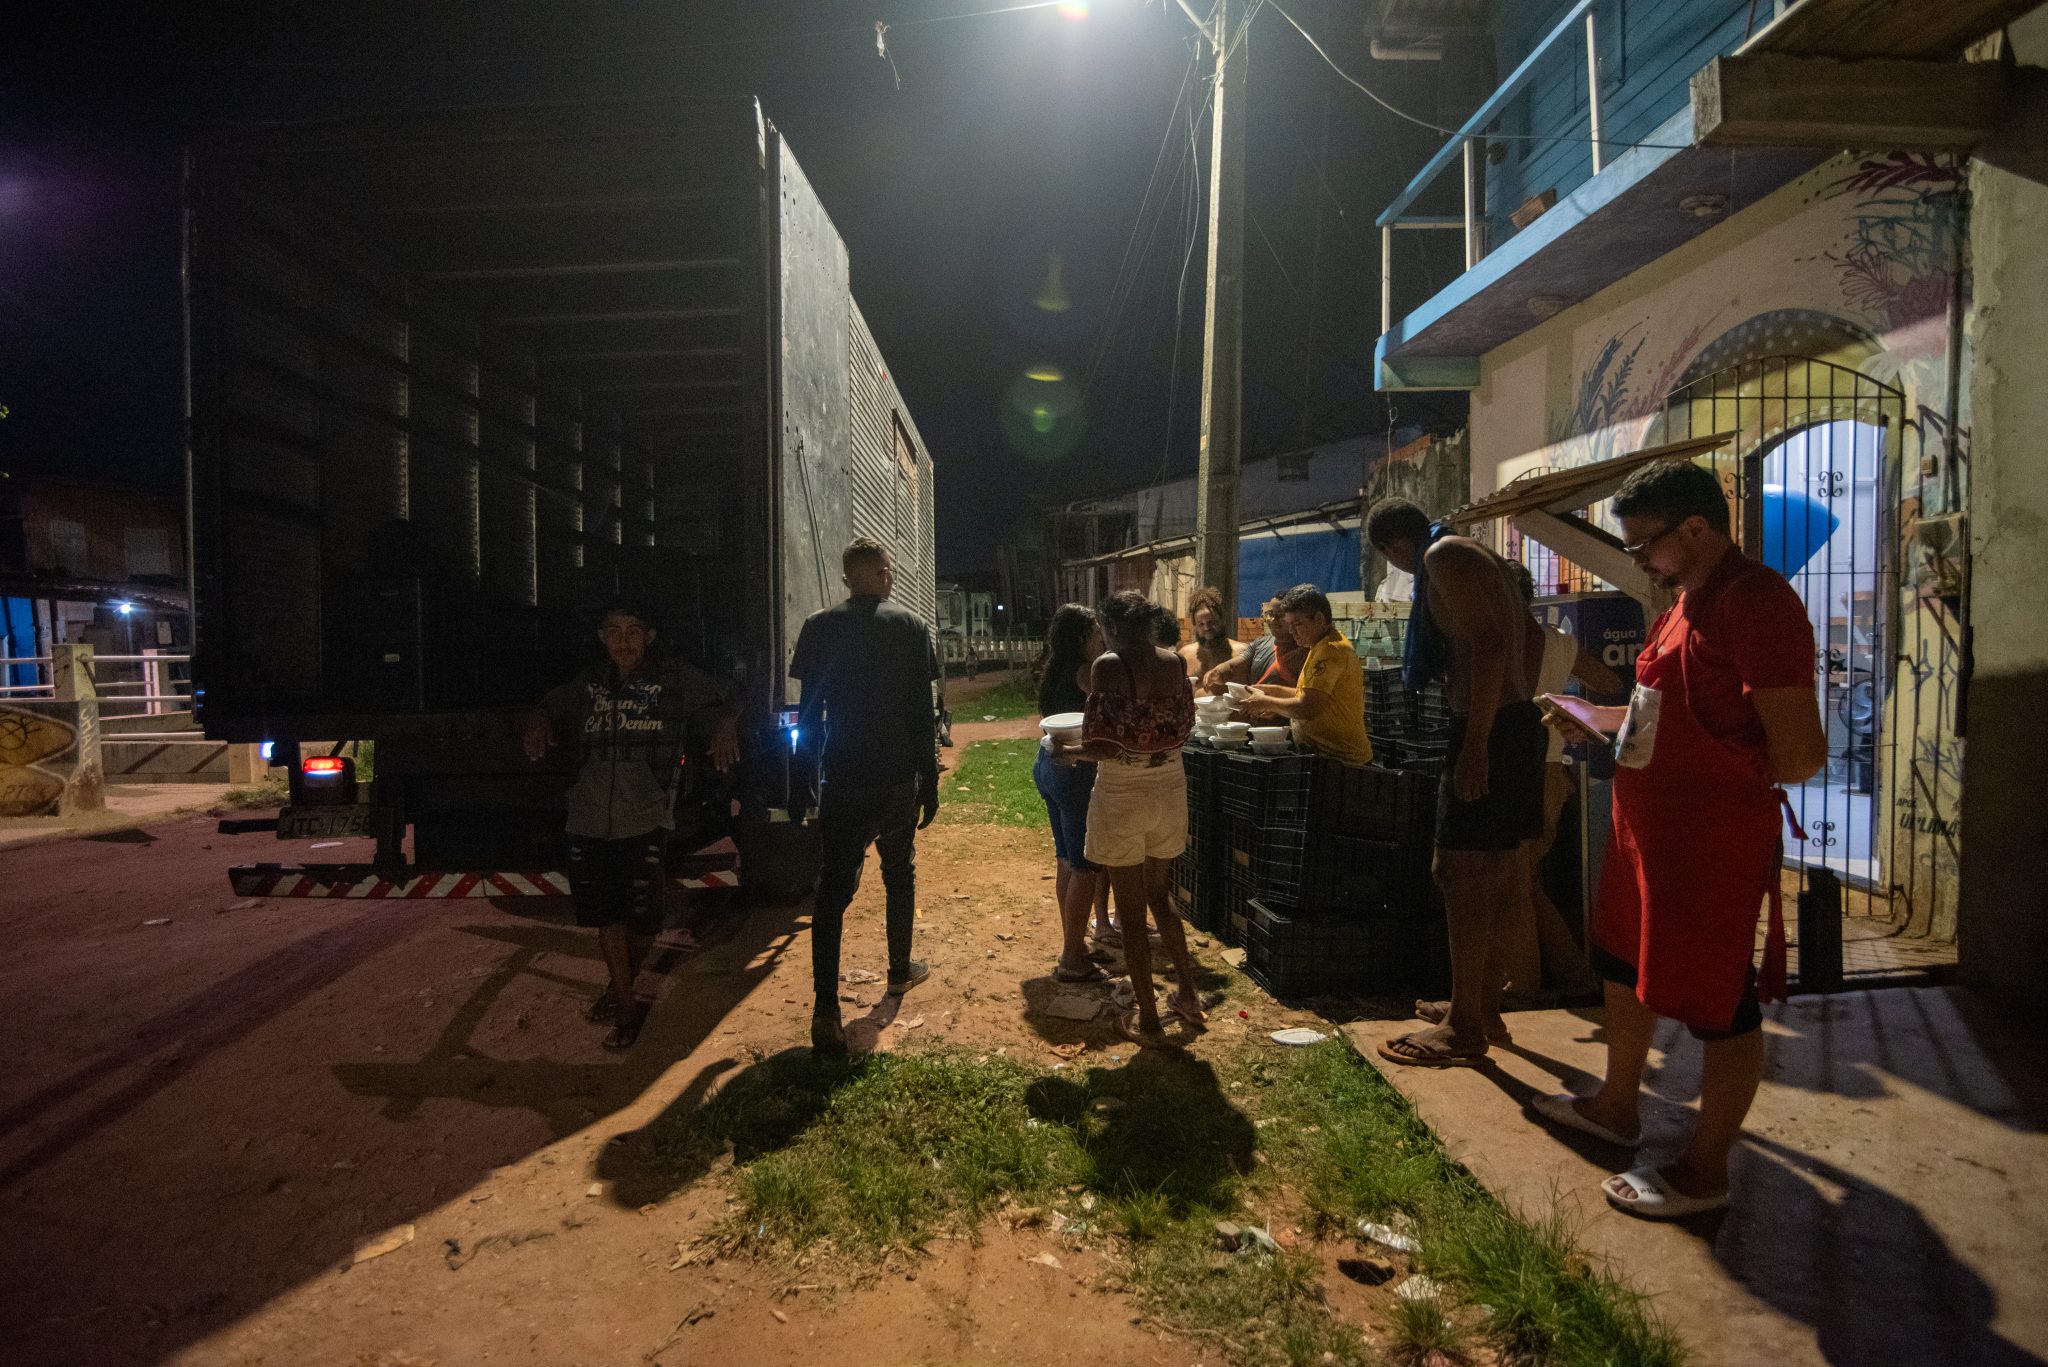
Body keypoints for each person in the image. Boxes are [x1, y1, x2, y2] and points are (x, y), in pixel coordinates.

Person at [1533, 459, 1824, 1219]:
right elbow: (1657, 712)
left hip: (1709, 847)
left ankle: (1703, 1170)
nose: (1639, 562)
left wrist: (1706, 771)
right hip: (1648, 839)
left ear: (1695, 528)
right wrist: (1600, 724)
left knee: (1718, 1002)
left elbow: (1798, 753)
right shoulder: (1682, 602)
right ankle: (1617, 1104)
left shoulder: (1755, 603)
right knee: (1625, 967)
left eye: (1644, 546)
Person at [1366, 498, 1546, 1067]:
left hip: (1490, 731)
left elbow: (1490, 645)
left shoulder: (1443, 558)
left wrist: (1477, 745)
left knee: (1459, 873)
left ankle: (1463, 1027)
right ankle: (1479, 1006)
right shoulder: (1475, 554)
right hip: (1509, 726)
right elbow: (1531, 638)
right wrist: (1515, 711)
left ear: (1395, 549)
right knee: (1487, 872)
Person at [522, 602, 739, 1050]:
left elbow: (735, 694)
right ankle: (625, 1008)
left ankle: (619, 985)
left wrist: (725, 727)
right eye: (614, 632)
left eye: (634, 631)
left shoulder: (674, 678)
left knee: (644, 922)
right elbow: (546, 705)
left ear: (650, 637)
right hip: (588, 816)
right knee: (606, 916)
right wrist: (538, 723)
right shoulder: (588, 684)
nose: (624, 641)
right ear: (602, 637)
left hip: (645, 815)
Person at [1412, 563, 1616, 1031]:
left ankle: (1515, 989)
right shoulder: (1556, 641)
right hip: (1551, 772)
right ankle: (1563, 977)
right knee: (1520, 881)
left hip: (1527, 769)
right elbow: (1606, 680)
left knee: (1511, 884)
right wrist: (1562, 698)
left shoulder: (1506, 639)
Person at [789, 537, 942, 1056]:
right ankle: (899, 974)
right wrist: (931, 779)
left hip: (842, 778)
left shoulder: (818, 625)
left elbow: (808, 714)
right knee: (899, 871)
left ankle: (825, 1008)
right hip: (897, 778)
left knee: (832, 890)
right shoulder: (910, 627)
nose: (892, 576)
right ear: (879, 572)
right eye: (889, 569)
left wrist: (803, 778)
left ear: (844, 579)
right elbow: (923, 715)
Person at [1053, 590, 1202, 1046]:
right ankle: (1190, 997)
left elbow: (1103, 745)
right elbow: (1185, 724)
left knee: (1132, 911)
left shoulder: (1109, 667)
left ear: (1110, 625)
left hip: (1123, 794)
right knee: (1161, 896)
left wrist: (1066, 752)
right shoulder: (1176, 663)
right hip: (1170, 788)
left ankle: (1151, 1020)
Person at [1031, 603, 1108, 983]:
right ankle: (1071, 959)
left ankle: (1073, 944)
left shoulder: (1053, 669)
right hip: (1075, 769)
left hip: (1047, 764)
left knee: (1065, 861)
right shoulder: (1085, 671)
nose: (1101, 639)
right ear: (1082, 637)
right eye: (1096, 633)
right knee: (1084, 867)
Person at [1237, 584, 1372, 765]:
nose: (1292, 631)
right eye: (1289, 624)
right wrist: (1271, 691)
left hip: (1344, 765)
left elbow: (1307, 707)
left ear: (1318, 618)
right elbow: (1310, 694)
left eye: (1297, 624)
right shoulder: (1319, 645)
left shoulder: (1331, 650)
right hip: (1322, 760)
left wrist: (1266, 702)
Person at [1201, 596, 1307, 692]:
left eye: (1280, 615)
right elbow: (1233, 666)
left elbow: (1306, 697)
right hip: (1256, 710)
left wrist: (1274, 703)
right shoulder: (1260, 644)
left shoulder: (1305, 650)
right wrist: (1217, 672)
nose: (1273, 620)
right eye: (1270, 614)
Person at [1176, 585, 1241, 682]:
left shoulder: (1241, 654)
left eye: (1211, 622)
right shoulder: (1184, 655)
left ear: (1222, 620)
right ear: (1195, 626)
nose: (1207, 628)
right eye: (1201, 624)